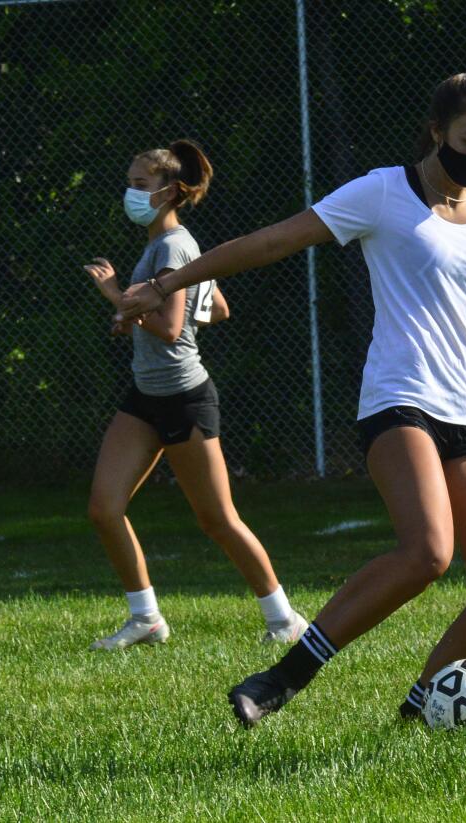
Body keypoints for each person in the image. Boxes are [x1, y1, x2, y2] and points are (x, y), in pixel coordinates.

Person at [114, 72, 466, 727]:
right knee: (429, 551)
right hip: (399, 400)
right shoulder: (382, 192)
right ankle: (279, 678)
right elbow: (272, 240)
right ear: (437, 131)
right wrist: (169, 283)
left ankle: (417, 714)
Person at [84, 140, 307, 651]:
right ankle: (146, 619)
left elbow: (171, 326)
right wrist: (133, 317)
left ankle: (285, 619)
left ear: (168, 193)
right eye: (131, 182)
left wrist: (118, 296)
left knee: (217, 519)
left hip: (185, 398)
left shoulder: (172, 247)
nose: (130, 192)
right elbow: (218, 308)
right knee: (104, 507)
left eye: (139, 185)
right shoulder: (165, 246)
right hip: (146, 395)